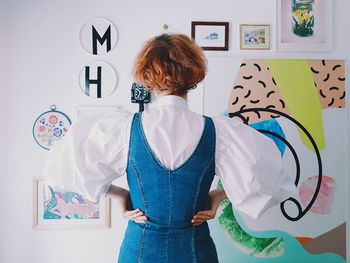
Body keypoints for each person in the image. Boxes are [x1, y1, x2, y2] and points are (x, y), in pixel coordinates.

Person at [44, 33, 296, 263]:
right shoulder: (220, 132)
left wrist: (118, 194)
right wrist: (219, 195)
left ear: (148, 77)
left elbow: (65, 168)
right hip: (196, 252)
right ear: (193, 75)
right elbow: (271, 178)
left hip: (139, 251)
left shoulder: (122, 128)